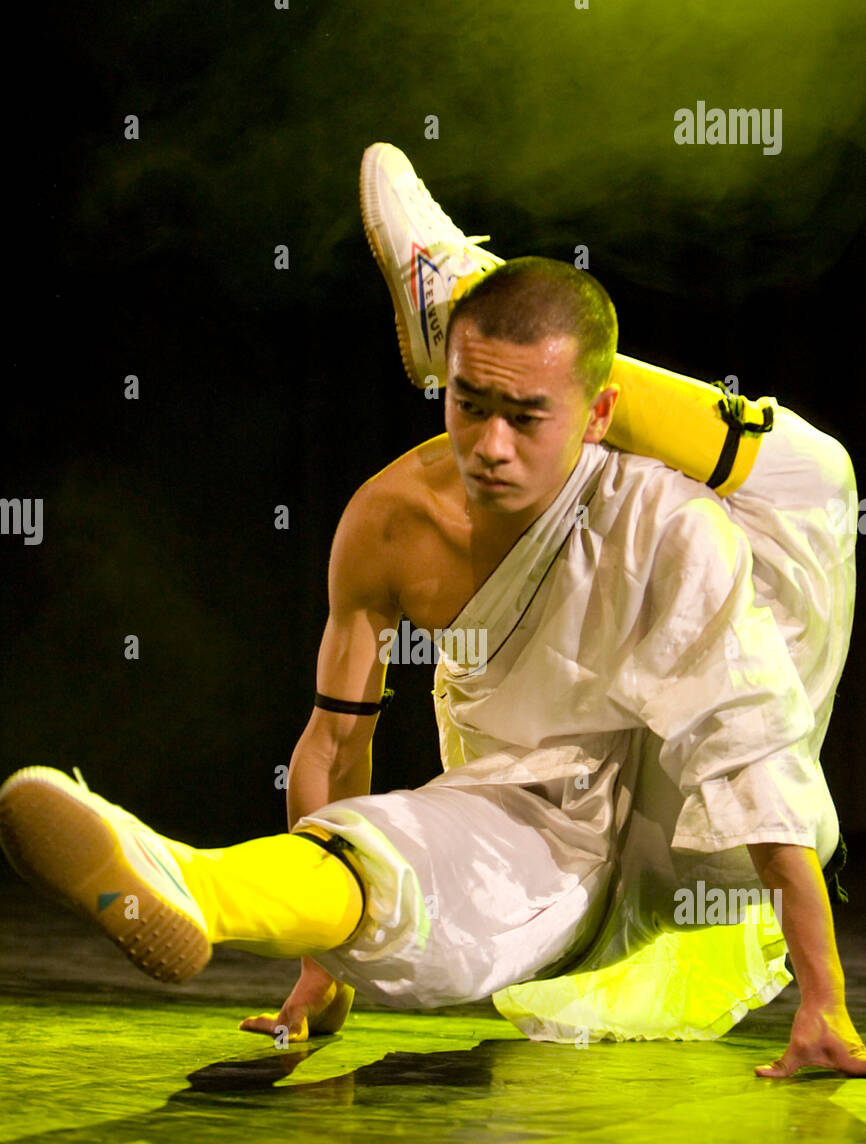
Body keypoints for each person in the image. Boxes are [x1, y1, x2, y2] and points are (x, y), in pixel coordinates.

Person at [1, 146, 863, 1081]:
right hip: (537, 806)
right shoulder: (388, 522)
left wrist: (822, 998)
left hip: (694, 839)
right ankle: (185, 880)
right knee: (395, 862)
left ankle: (460, 285)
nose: (489, 446)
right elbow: (334, 745)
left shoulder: (671, 521)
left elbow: (749, 746)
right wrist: (319, 971)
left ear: (601, 414)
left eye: (526, 416)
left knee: (814, 480)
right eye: (467, 401)